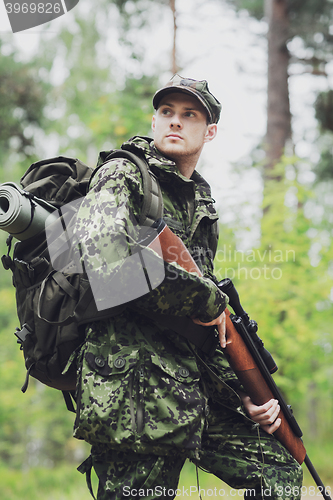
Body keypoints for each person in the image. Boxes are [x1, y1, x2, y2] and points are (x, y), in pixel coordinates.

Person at [73, 75, 303, 499]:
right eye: (167, 112)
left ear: (209, 131)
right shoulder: (124, 173)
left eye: (189, 115)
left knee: (279, 472)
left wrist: (242, 399)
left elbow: (202, 327)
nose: (175, 122)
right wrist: (203, 294)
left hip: (190, 393)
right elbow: (104, 261)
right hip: (133, 398)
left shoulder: (199, 202)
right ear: (155, 120)